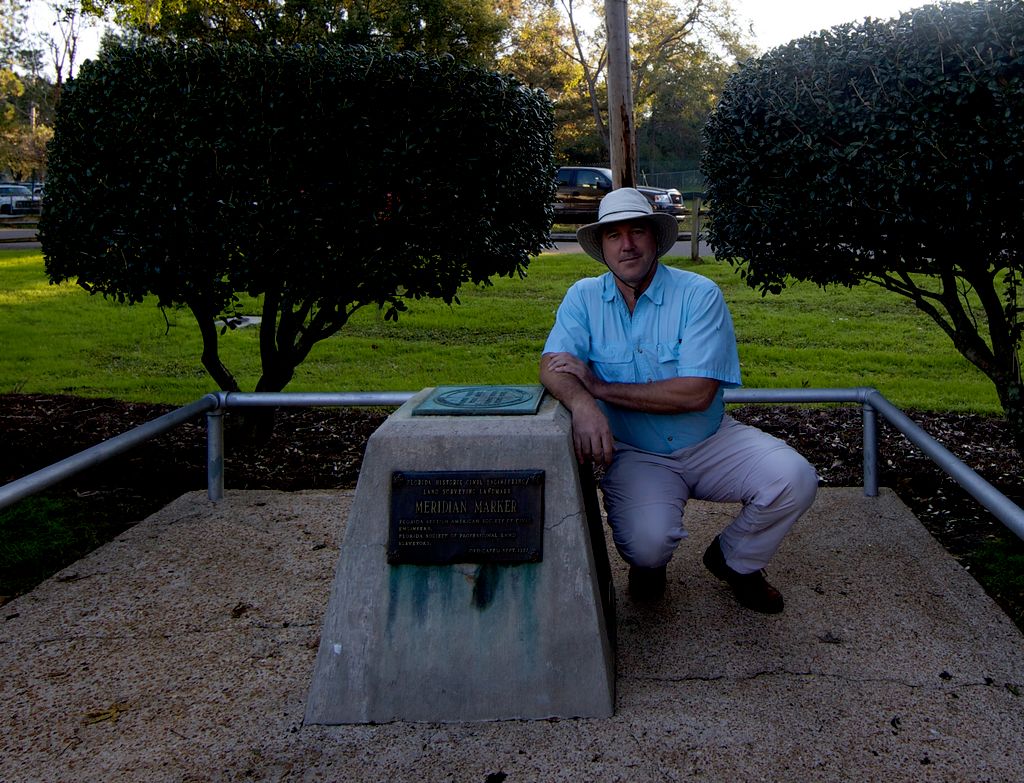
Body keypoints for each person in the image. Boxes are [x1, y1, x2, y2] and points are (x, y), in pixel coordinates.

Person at [540, 187, 818, 612]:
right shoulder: (583, 297)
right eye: (614, 235)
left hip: (710, 439)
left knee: (794, 479)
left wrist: (599, 389)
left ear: (655, 239)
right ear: (602, 247)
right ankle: (648, 565)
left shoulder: (698, 294)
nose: (627, 245)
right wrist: (581, 406)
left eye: (637, 232)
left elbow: (696, 393)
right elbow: (552, 366)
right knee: (648, 545)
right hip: (635, 453)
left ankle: (735, 560)